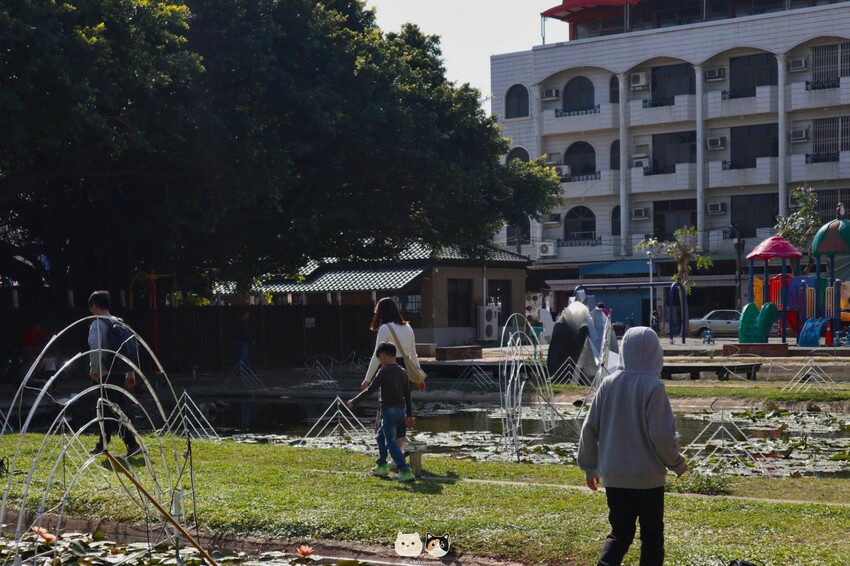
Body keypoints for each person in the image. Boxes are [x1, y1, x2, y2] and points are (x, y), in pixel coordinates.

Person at [577, 326, 687, 566]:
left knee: (620, 534)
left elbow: (589, 427)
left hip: (615, 477)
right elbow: (661, 435)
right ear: (656, 353)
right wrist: (676, 462)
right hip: (648, 479)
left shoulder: (608, 383)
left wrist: (590, 467)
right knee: (652, 537)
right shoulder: (654, 387)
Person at [347, 342, 416, 483]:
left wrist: (353, 401)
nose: (380, 362)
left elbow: (370, 390)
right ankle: (382, 465)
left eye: (379, 359)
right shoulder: (402, 372)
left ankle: (405, 470)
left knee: (390, 441)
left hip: (389, 411)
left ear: (383, 357)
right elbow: (408, 395)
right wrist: (409, 415)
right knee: (380, 436)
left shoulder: (384, 372)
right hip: (400, 410)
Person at [361, 297, 424, 452]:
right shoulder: (408, 328)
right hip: (406, 371)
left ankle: (393, 447)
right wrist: (420, 378)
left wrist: (367, 379)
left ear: (381, 312)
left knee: (387, 406)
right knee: (402, 404)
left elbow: (377, 357)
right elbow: (414, 355)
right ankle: (402, 438)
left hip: (390, 369)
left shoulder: (385, 328)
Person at [88, 290, 142, 458]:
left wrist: (94, 369)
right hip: (119, 371)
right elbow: (128, 350)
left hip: (105, 372)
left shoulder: (97, 324)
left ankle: (132, 444)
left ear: (95, 306)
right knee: (106, 408)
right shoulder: (119, 322)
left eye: (91, 307)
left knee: (112, 410)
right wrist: (130, 373)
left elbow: (95, 348)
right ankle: (102, 445)